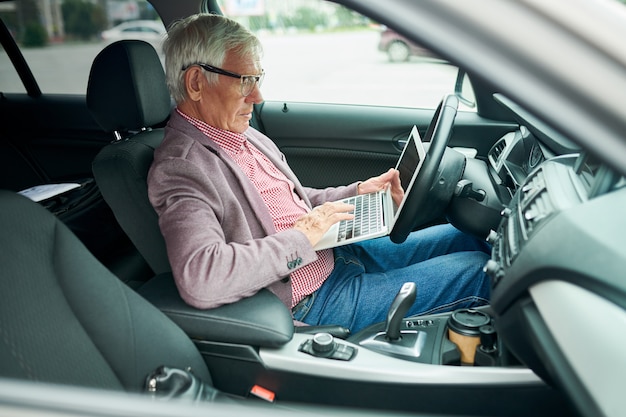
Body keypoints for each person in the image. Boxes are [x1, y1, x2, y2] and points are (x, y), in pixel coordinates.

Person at [147, 13, 491, 334]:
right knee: (478, 271)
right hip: (314, 299)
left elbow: (293, 201)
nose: (258, 95)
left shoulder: (240, 133)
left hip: (337, 254)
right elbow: (202, 276)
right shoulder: (181, 167)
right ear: (195, 82)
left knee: (471, 235)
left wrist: (356, 194)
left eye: (258, 79)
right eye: (245, 81)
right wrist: (303, 238)